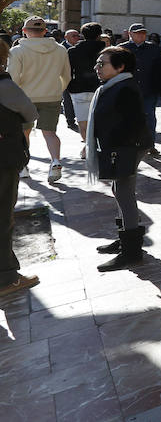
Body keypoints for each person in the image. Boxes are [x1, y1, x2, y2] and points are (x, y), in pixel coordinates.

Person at [86, 46, 152, 271]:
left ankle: (131, 251)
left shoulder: (125, 88)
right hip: (119, 148)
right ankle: (125, 237)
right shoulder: (112, 86)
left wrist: (117, 151)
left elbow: (134, 124)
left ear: (120, 66)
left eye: (101, 63)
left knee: (123, 192)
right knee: (119, 191)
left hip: (126, 148)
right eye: (97, 63)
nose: (97, 68)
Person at [7, 16, 71, 183]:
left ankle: (23, 166)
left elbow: (13, 78)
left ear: (24, 31)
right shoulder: (60, 50)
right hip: (52, 97)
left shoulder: (17, 51)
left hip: (25, 98)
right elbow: (66, 76)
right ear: (44, 31)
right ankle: (55, 161)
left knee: (24, 133)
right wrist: (57, 90)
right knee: (50, 133)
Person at [0, 41, 41, 296]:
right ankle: (6, 277)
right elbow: (30, 113)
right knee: (3, 216)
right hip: (3, 160)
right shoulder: (4, 87)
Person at [122, 23, 161, 155]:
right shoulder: (122, 49)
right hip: (128, 91)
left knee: (149, 118)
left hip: (149, 90)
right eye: (138, 33)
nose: (141, 35)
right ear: (130, 34)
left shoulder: (154, 49)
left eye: (143, 33)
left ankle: (150, 145)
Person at [67, 22, 106, 158]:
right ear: (99, 35)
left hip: (79, 89)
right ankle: (93, 147)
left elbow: (68, 71)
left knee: (83, 122)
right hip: (101, 88)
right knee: (100, 121)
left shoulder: (73, 51)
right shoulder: (106, 51)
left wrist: (70, 86)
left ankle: (88, 147)